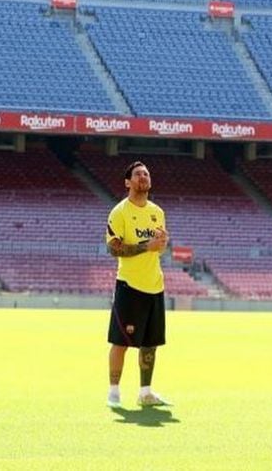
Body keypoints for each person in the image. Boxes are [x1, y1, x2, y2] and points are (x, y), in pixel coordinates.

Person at [105, 160, 172, 408]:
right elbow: (114, 249)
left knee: (150, 343)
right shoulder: (119, 212)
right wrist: (147, 246)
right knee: (120, 342)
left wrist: (161, 244)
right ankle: (113, 392)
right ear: (127, 182)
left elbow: (159, 248)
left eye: (146, 173)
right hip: (129, 286)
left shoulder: (158, 212)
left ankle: (145, 392)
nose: (143, 177)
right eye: (138, 174)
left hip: (155, 285)